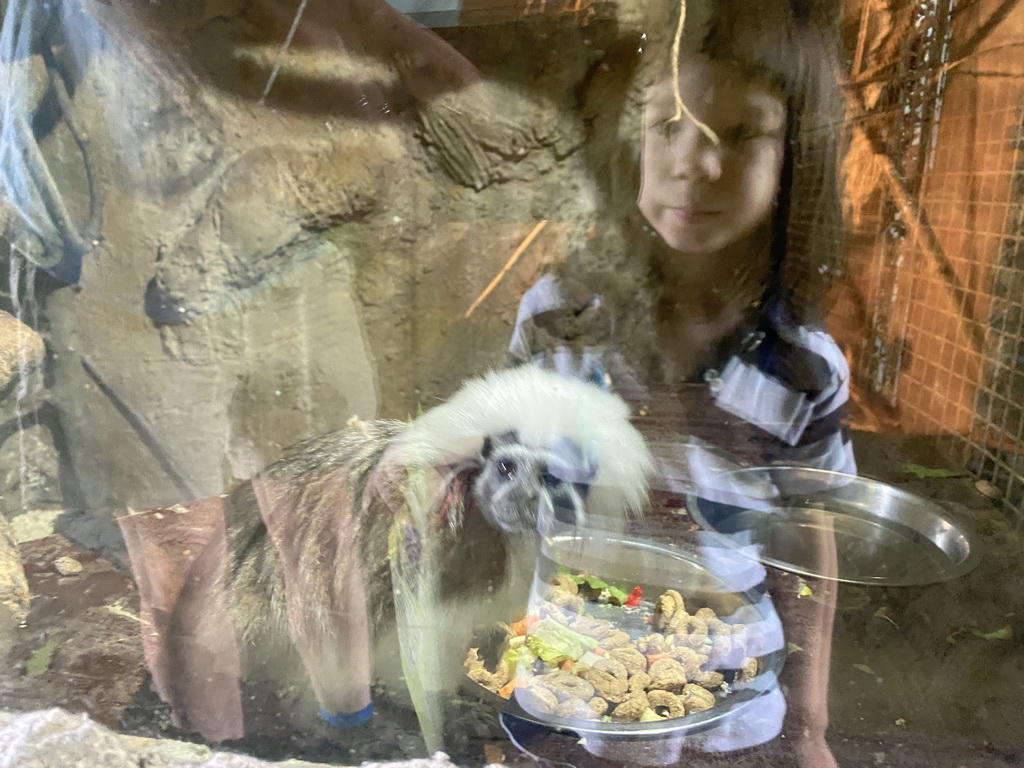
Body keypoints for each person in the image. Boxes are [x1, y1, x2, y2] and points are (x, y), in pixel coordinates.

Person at [505, 2, 850, 766]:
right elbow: (507, 475)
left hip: (722, 684)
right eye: (668, 125)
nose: (694, 161)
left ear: (800, 156)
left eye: (742, 131)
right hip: (576, 661)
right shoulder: (556, 318)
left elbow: (811, 543)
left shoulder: (802, 366)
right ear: (627, 143)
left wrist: (811, 726)